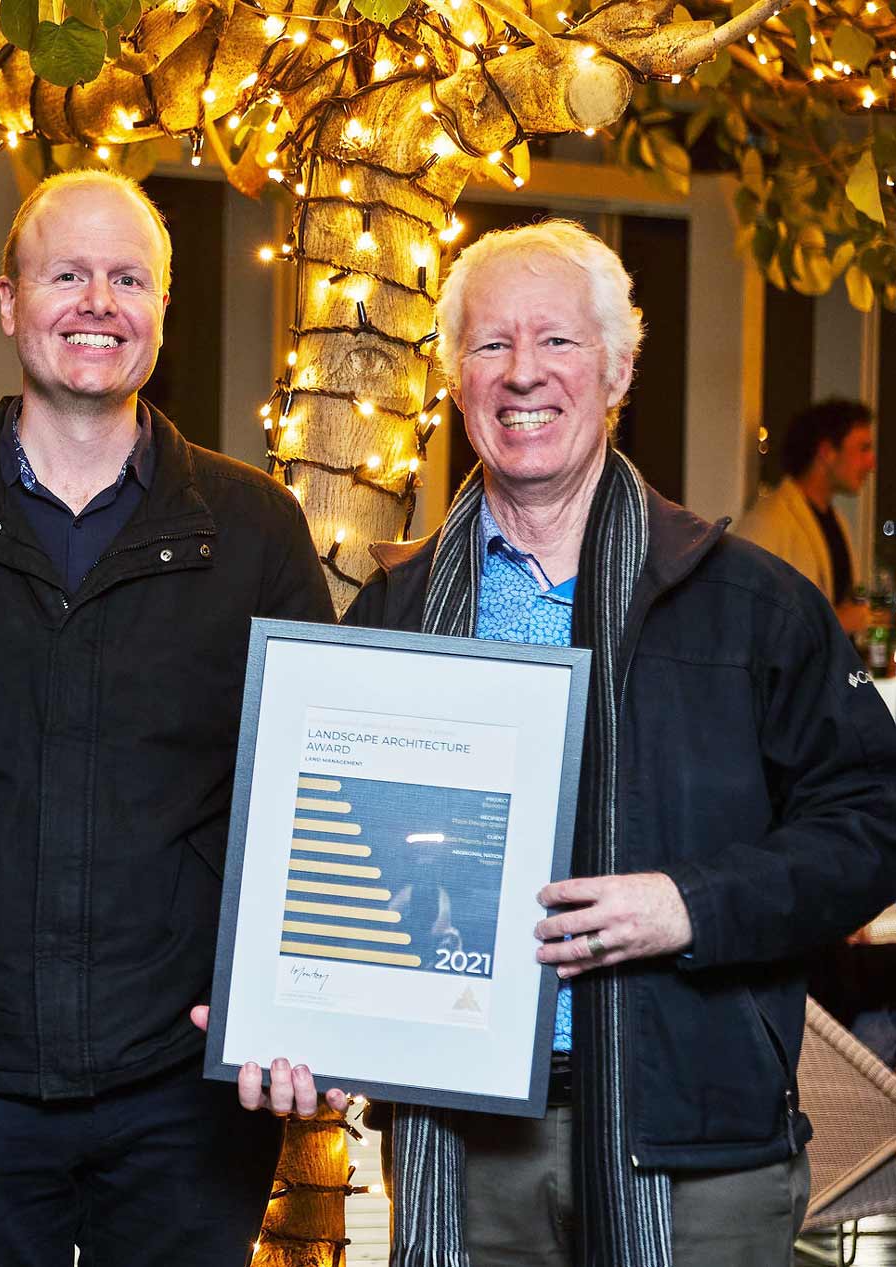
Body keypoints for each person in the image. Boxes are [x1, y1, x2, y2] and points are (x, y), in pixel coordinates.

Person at [338, 220, 896, 1265]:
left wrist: (689, 904)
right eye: (489, 344)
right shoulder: (396, 607)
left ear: (618, 368)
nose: (520, 375)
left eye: (556, 341)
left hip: (697, 1143)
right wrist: (310, 1018)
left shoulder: (749, 605)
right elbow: (339, 857)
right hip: (466, 1146)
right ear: (454, 379)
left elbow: (872, 823)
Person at [0, 170, 334, 1267]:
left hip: (184, 1073)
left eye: (128, 279)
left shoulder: (253, 525)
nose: (97, 302)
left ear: (162, 310)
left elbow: (303, 792)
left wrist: (288, 988)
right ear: (6, 300)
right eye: (66, 274)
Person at [735, 397, 878, 634]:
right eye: (863, 448)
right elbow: (742, 613)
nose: (871, 463)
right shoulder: (770, 520)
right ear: (826, 452)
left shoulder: (835, 520)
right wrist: (839, 623)